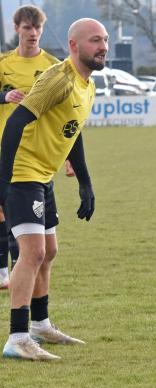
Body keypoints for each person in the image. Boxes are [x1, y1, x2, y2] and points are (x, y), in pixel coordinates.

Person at [0, 18, 105, 361]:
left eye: (104, 40)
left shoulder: (87, 85)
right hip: (23, 174)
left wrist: (86, 183)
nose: (103, 46)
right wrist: (3, 182)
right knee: (32, 253)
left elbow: (72, 132)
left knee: (49, 251)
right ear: (74, 46)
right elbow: (16, 122)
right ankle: (17, 337)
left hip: (44, 176)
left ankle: (40, 325)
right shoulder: (59, 79)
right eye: (95, 40)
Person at [0, 5, 61, 290]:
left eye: (37, 28)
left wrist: (71, 158)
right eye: (27, 28)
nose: (33, 33)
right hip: (6, 154)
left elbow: (61, 113)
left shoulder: (52, 65)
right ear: (17, 30)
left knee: (29, 232)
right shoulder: (3, 64)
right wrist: (4, 96)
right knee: (6, 216)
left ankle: (16, 275)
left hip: (37, 159)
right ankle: (7, 272)